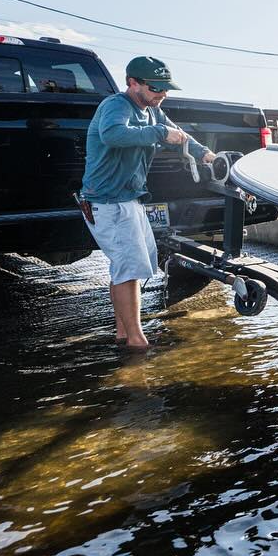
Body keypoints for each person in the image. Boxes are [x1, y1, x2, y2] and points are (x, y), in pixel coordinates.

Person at [79, 56, 213, 350]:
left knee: (127, 268)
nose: (161, 95)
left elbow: (181, 136)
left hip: (130, 200)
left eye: (166, 89)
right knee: (130, 269)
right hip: (108, 202)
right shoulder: (115, 105)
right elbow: (113, 135)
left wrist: (206, 155)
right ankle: (138, 343)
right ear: (132, 83)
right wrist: (160, 133)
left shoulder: (154, 111)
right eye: (155, 88)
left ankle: (123, 333)